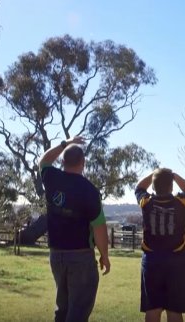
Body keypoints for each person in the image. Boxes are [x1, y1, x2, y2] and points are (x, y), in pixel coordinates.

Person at [39, 135, 110, 322]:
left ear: (62, 161)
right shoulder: (90, 191)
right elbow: (99, 228)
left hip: (56, 256)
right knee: (78, 311)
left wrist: (66, 143)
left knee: (62, 310)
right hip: (81, 258)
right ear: (83, 163)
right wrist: (105, 255)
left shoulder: (51, 178)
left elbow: (44, 160)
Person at [135, 168, 185, 322]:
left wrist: (154, 174)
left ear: (153, 186)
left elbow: (139, 187)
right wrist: (174, 175)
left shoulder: (146, 201)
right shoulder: (181, 201)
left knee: (153, 308)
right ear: (171, 186)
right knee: (174, 310)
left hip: (151, 260)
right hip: (176, 261)